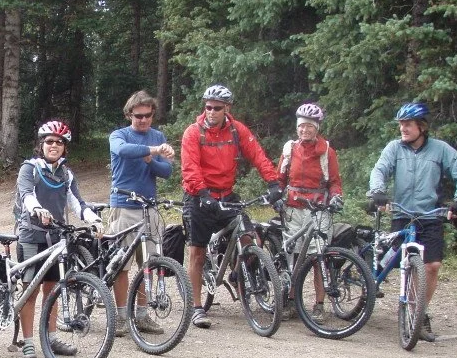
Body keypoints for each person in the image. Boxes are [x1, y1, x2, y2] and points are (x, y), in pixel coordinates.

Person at [367, 102, 457, 341]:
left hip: (430, 216)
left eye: (408, 124)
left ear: (421, 127)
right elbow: (379, 170)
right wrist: (378, 191)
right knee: (392, 263)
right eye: (401, 124)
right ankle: (374, 287)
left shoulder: (440, 150)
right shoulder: (394, 148)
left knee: (431, 267)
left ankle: (418, 313)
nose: (403, 128)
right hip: (402, 216)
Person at [181, 84, 282, 329]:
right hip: (199, 195)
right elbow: (190, 167)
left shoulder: (237, 131)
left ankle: (238, 273)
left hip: (227, 193)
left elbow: (258, 155)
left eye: (217, 108)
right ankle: (196, 308)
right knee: (197, 252)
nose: (211, 112)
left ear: (227, 108)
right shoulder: (193, 133)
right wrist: (203, 194)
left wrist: (273, 182)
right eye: (208, 107)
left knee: (250, 238)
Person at [12, 121, 102, 358]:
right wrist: (38, 209)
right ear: (41, 144)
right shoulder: (29, 168)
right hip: (31, 235)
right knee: (30, 290)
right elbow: (27, 195)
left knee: (52, 290)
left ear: (65, 147)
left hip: (56, 238)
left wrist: (94, 220)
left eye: (59, 142)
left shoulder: (66, 174)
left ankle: (51, 338)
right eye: (49, 141)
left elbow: (77, 203)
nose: (54, 145)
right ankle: (29, 342)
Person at [108, 90, 176, 334]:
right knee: (121, 265)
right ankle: (121, 316)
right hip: (123, 206)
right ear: (129, 114)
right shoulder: (119, 135)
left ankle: (142, 315)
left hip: (149, 207)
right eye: (138, 116)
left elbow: (166, 172)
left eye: (147, 115)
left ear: (153, 114)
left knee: (148, 263)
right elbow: (124, 151)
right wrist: (155, 150)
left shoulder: (157, 136)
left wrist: (152, 160)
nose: (143, 120)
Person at [276, 103, 344, 323]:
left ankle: (319, 305)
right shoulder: (289, 149)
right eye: (301, 126)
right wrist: (276, 196)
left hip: (318, 209)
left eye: (309, 127)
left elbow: (334, 181)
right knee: (294, 257)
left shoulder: (327, 152)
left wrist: (336, 197)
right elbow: (280, 179)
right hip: (293, 209)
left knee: (318, 258)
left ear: (317, 128)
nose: (304, 130)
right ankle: (292, 301)